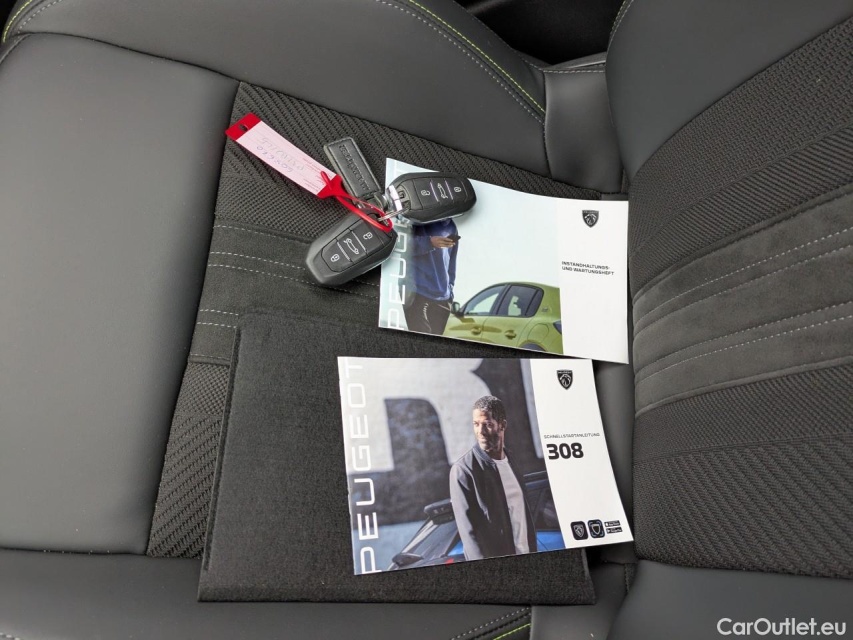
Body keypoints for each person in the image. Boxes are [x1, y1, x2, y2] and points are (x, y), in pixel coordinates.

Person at [449, 395, 537, 560]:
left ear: (502, 425)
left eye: (488, 425)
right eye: (476, 424)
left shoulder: (512, 461)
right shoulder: (464, 471)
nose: (480, 432)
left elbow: (523, 515)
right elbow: (470, 536)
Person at [403, 218, 458, 335]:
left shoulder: (452, 226)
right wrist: (429, 242)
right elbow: (401, 243)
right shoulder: (417, 218)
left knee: (434, 343)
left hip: (443, 298)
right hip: (418, 293)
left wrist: (450, 289)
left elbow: (452, 261)